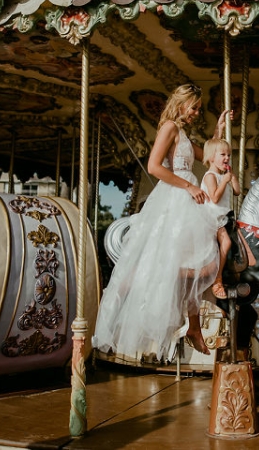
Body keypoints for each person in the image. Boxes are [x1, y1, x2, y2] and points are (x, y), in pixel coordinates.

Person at [92, 84, 230, 359]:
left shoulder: (183, 133)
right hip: (176, 198)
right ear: (181, 105)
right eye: (194, 108)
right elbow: (154, 166)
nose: (196, 113)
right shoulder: (168, 127)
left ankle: (193, 325)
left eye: (199, 109)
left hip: (189, 199)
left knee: (196, 263)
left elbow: (208, 156)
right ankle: (162, 315)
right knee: (179, 263)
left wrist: (219, 131)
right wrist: (188, 187)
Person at [201, 137, 241, 299]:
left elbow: (237, 192)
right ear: (211, 157)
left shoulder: (223, 175)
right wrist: (224, 181)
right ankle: (217, 279)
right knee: (227, 242)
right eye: (223, 154)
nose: (227, 158)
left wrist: (232, 177)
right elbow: (215, 198)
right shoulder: (210, 176)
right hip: (211, 217)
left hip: (223, 217)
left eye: (229, 155)